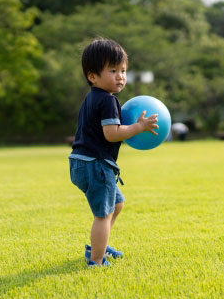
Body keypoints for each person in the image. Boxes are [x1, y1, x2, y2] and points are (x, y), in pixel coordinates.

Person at [68, 38, 159, 267]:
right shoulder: (108, 101)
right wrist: (139, 127)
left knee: (116, 205)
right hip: (95, 164)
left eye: (123, 70)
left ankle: (98, 244)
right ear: (93, 76)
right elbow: (111, 133)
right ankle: (96, 260)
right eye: (113, 70)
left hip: (82, 162)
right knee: (103, 213)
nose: (120, 76)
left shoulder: (92, 98)